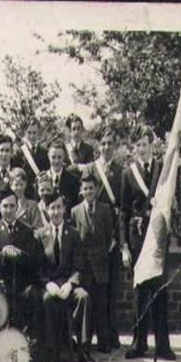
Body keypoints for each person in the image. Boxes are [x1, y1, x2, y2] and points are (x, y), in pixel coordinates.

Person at [120, 125, 176, 360]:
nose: (142, 149)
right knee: (140, 292)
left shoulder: (163, 170)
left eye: (145, 144)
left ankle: (162, 344)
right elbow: (122, 212)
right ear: (134, 149)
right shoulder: (128, 173)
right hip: (137, 238)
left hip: (158, 235)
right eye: (138, 145)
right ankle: (138, 342)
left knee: (160, 290)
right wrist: (124, 245)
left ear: (152, 145)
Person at [35, 192, 96, 362]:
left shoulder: (74, 234)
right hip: (50, 285)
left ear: (65, 209)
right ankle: (52, 350)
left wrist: (71, 283)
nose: (55, 212)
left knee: (83, 297)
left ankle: (84, 350)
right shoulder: (40, 235)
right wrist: (48, 283)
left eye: (59, 207)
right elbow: (38, 268)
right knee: (47, 300)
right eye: (52, 208)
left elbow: (79, 266)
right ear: (46, 211)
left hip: (69, 284)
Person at [83, 125, 124, 349]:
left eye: (111, 143)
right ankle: (88, 337)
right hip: (91, 239)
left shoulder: (121, 171)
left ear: (115, 147)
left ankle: (110, 335)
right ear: (99, 146)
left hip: (111, 236)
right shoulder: (90, 168)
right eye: (104, 143)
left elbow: (123, 206)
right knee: (92, 291)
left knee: (109, 290)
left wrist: (117, 238)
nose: (107, 147)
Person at [0, 189, 44, 337]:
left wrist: (19, 254)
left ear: (17, 207)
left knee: (34, 295)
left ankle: (35, 346)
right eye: (5, 206)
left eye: (12, 206)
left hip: (22, 288)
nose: (9, 210)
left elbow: (36, 262)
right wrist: (2, 254)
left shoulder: (27, 231)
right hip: (0, 289)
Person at [71, 174, 114, 353]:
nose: (88, 191)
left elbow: (108, 237)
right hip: (84, 267)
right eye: (85, 188)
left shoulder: (105, 210)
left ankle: (103, 343)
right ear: (81, 191)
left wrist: (102, 257)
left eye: (91, 188)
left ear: (96, 190)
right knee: (86, 307)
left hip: (100, 265)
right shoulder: (75, 211)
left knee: (101, 306)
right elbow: (74, 239)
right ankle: (85, 343)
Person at [15, 117, 49, 198]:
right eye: (29, 133)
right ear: (24, 133)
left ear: (38, 133)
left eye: (34, 133)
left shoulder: (45, 151)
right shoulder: (19, 152)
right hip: (26, 193)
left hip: (42, 192)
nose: (32, 136)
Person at [47, 138, 80, 210]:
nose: (56, 161)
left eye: (59, 157)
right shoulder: (42, 179)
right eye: (53, 157)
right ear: (48, 156)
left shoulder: (73, 180)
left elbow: (75, 207)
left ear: (64, 157)